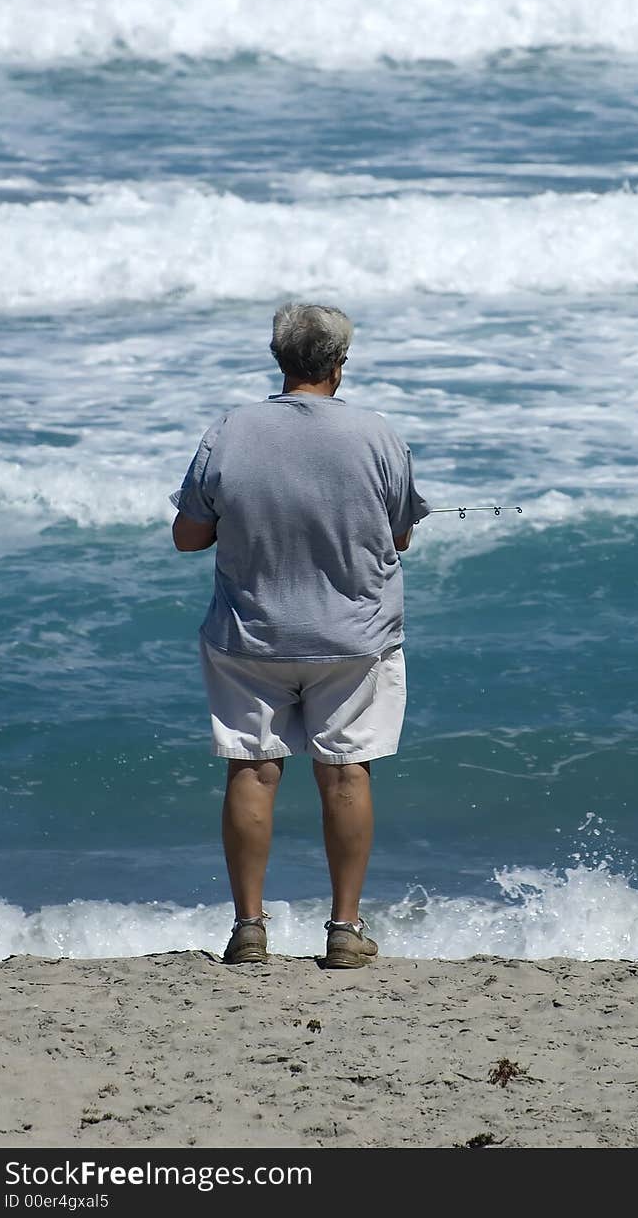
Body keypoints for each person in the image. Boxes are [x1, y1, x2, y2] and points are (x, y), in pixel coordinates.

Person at [170, 303, 429, 967]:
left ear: (279, 359)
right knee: (345, 775)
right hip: (354, 636)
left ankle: (249, 927)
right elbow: (399, 535)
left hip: (251, 633)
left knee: (253, 770)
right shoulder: (376, 434)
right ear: (339, 367)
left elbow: (187, 535)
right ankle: (344, 930)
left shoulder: (231, 430)